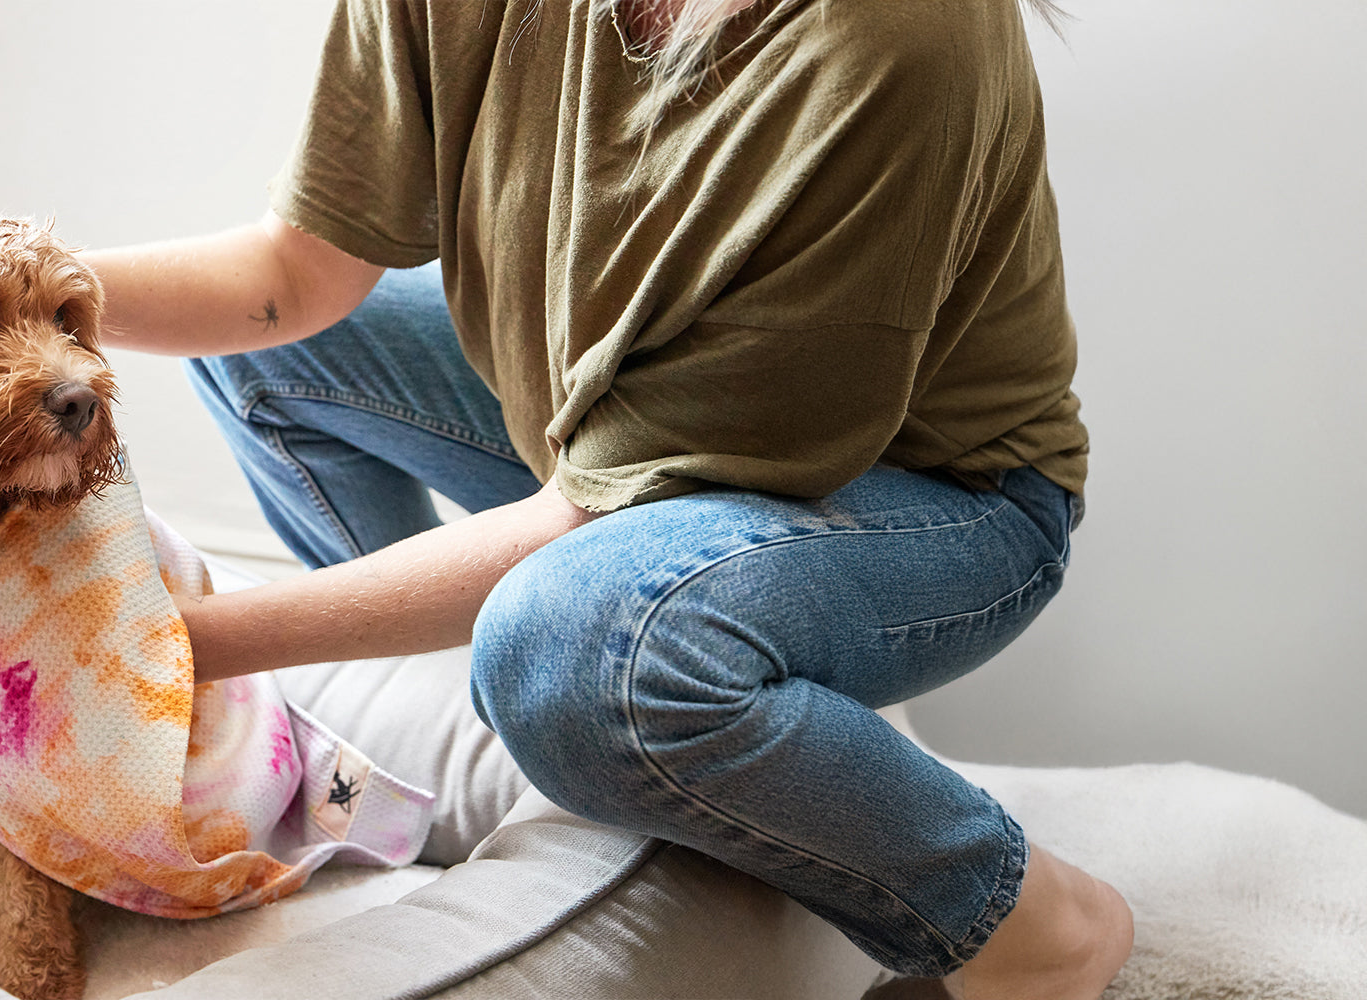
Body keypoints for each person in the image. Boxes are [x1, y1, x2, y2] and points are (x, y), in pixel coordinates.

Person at [77, 0, 1134, 995]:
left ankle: (1033, 923)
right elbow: (291, 276)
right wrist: (22, 280)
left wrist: (169, 645)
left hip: (937, 496)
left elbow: (594, 520)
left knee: (570, 650)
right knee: (260, 364)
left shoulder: (901, 37)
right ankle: (517, 735)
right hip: (608, 420)